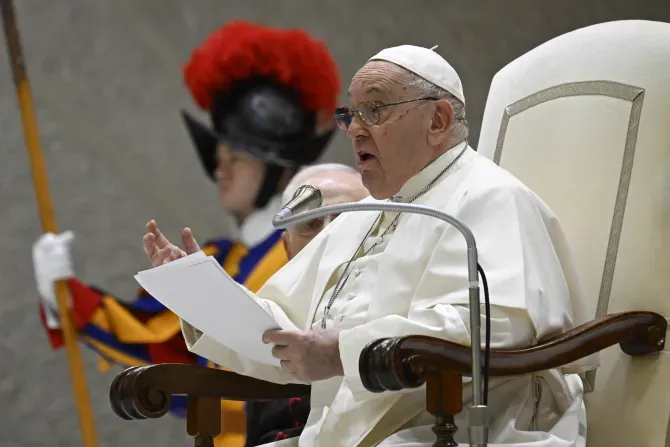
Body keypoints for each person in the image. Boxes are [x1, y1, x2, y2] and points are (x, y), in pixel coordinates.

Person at [143, 45, 588, 446]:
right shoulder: (367, 212)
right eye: (350, 114)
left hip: (458, 428)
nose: (354, 130)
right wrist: (199, 295)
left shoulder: (491, 197)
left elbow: (495, 325)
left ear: (437, 121)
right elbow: (284, 331)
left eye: (374, 110)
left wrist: (341, 351)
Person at [32, 21, 340, 447]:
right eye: (219, 154)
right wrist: (62, 295)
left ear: (279, 168)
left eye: (237, 157)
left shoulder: (307, 250)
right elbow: (164, 347)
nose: (221, 167)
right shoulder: (227, 258)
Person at [245, 163, 369, 446]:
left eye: (342, 219)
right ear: (287, 248)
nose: (326, 234)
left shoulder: (404, 286)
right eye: (311, 224)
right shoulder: (271, 309)